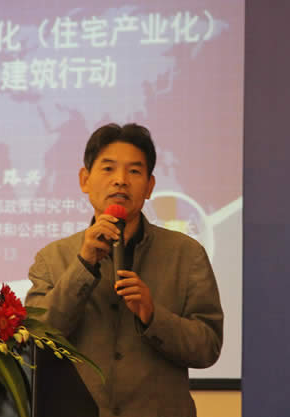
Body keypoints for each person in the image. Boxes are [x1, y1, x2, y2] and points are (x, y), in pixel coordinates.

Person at [25, 123, 223, 417]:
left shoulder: (186, 254)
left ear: (150, 186)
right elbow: (36, 340)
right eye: (108, 169)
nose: (120, 180)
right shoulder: (52, 258)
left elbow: (208, 346)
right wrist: (83, 266)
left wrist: (153, 316)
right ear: (84, 180)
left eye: (134, 171)